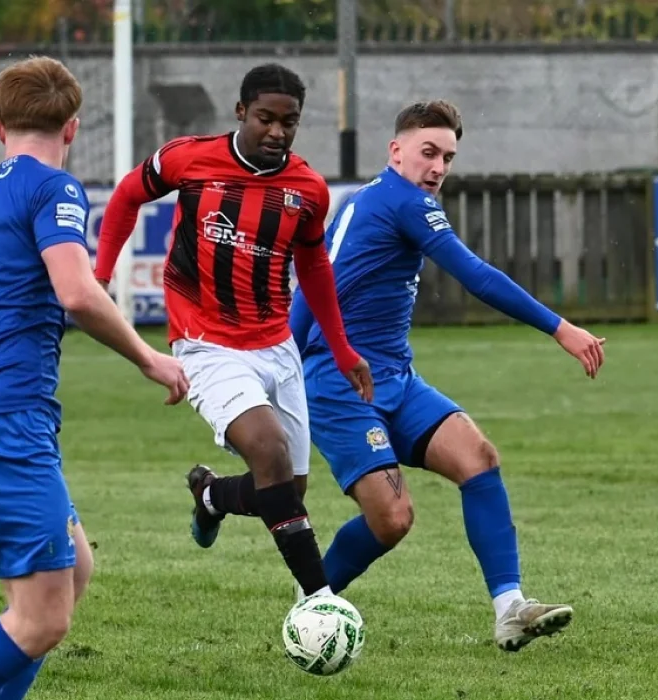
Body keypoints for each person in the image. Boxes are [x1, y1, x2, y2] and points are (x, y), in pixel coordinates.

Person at [186, 100, 607, 652]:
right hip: (341, 385)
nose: (437, 167)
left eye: (448, 158)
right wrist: (560, 328)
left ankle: (510, 609)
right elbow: (472, 274)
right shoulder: (403, 203)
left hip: (397, 378)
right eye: (428, 152)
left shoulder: (374, 201)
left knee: (478, 459)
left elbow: (322, 283)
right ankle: (311, 603)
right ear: (397, 151)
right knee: (393, 519)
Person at [0, 56, 188, 699]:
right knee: (41, 616)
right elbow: (76, 292)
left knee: (73, 572)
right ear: (71, 130)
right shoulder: (53, 189)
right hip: (4, 419)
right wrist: (149, 357)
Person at [93, 63, 373, 602]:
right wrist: (100, 275)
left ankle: (212, 497)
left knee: (287, 489)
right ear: (241, 112)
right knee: (267, 453)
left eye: (288, 122)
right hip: (204, 342)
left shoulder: (308, 189)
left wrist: (342, 350)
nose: (277, 132)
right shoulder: (189, 158)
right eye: (265, 118)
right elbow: (128, 195)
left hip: (276, 344)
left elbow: (314, 267)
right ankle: (321, 602)